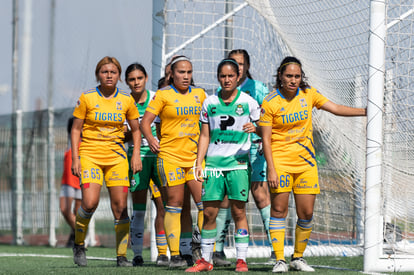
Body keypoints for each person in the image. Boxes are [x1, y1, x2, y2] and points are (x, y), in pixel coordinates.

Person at [259, 56, 366, 273]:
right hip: (280, 163)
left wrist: (365, 111)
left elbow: (335, 108)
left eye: (297, 76)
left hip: (307, 163)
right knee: (279, 210)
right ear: (280, 76)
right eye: (289, 76)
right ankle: (279, 259)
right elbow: (266, 139)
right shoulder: (270, 101)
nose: (293, 80)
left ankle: (297, 258)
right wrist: (270, 167)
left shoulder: (309, 94)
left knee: (306, 213)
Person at [185, 58, 261, 273]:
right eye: (223, 76)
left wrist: (254, 129)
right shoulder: (209, 102)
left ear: (238, 77)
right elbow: (204, 135)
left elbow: (264, 128)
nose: (227, 80)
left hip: (237, 165)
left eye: (231, 76)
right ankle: (206, 261)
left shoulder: (248, 102)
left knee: (239, 213)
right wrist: (199, 163)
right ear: (218, 78)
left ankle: (241, 260)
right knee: (209, 214)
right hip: (214, 167)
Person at [71, 56, 142, 267]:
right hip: (90, 155)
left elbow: (136, 130)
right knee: (90, 203)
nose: (109, 75)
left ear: (119, 76)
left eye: (113, 72)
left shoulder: (127, 100)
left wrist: (135, 154)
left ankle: (121, 257)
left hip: (116, 157)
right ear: (98, 75)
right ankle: (78, 244)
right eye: (105, 72)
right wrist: (76, 158)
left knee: (120, 207)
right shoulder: (87, 97)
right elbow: (76, 129)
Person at [140, 55, 207, 268]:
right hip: (170, 158)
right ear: (172, 74)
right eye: (181, 72)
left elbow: (209, 122)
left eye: (189, 72)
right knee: (175, 205)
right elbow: (146, 122)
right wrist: (151, 140)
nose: (185, 76)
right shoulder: (163, 94)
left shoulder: (200, 94)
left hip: (195, 160)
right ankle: (176, 254)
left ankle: (197, 242)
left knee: (206, 205)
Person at [213, 49, 273, 266]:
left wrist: (255, 129)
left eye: (240, 64)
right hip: (230, 153)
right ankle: (217, 251)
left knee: (260, 194)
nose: (236, 69)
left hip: (255, 150)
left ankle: (276, 250)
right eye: (233, 64)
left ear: (247, 66)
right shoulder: (221, 92)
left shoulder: (258, 89)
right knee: (227, 198)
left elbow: (267, 120)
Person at [123, 63, 169, 267]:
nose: (136, 83)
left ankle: (162, 253)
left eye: (139, 78)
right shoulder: (124, 102)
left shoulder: (155, 98)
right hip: (136, 158)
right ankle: (138, 254)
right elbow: (123, 135)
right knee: (139, 208)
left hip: (158, 157)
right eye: (132, 79)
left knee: (164, 205)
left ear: (146, 78)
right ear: (127, 82)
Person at [60, 117, 81, 248]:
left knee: (79, 212)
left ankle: (76, 237)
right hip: (67, 181)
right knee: (65, 209)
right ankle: (79, 234)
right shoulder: (70, 141)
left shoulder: (85, 142)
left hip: (80, 180)